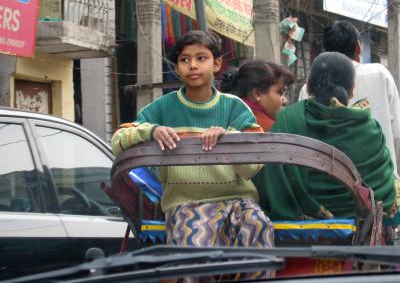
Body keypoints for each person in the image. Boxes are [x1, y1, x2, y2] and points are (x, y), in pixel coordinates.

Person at [111, 30, 274, 273]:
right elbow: (119, 140)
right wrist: (151, 131)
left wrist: (227, 139)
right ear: (176, 68)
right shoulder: (161, 109)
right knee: (195, 242)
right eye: (185, 60)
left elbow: (254, 164)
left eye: (201, 58)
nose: (193, 65)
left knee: (259, 226)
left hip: (238, 202)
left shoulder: (234, 107)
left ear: (217, 63)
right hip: (186, 204)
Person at [253, 52, 399, 220]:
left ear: (308, 87)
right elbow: (386, 188)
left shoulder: (287, 121)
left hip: (301, 230)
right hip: (362, 227)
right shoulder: (370, 128)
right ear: (352, 91)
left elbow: (266, 180)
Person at [298, 20, 400, 176]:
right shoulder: (380, 74)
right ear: (357, 48)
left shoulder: (309, 88)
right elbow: (396, 132)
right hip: (381, 180)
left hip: (330, 186)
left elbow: (304, 140)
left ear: (325, 52)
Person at [220, 60, 294, 131]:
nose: (285, 101)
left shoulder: (224, 119)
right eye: (280, 92)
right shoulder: (270, 130)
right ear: (257, 94)